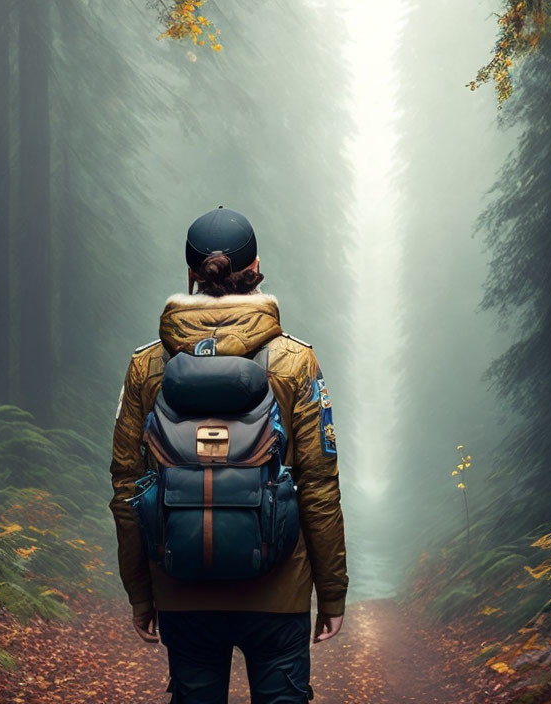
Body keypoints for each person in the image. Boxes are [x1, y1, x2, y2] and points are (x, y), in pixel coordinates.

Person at [109, 206, 348, 703]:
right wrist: (331, 591)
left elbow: (127, 487)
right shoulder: (294, 361)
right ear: (257, 266)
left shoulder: (148, 365)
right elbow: (320, 486)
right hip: (278, 590)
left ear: (192, 275)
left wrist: (141, 592)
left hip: (183, 585)